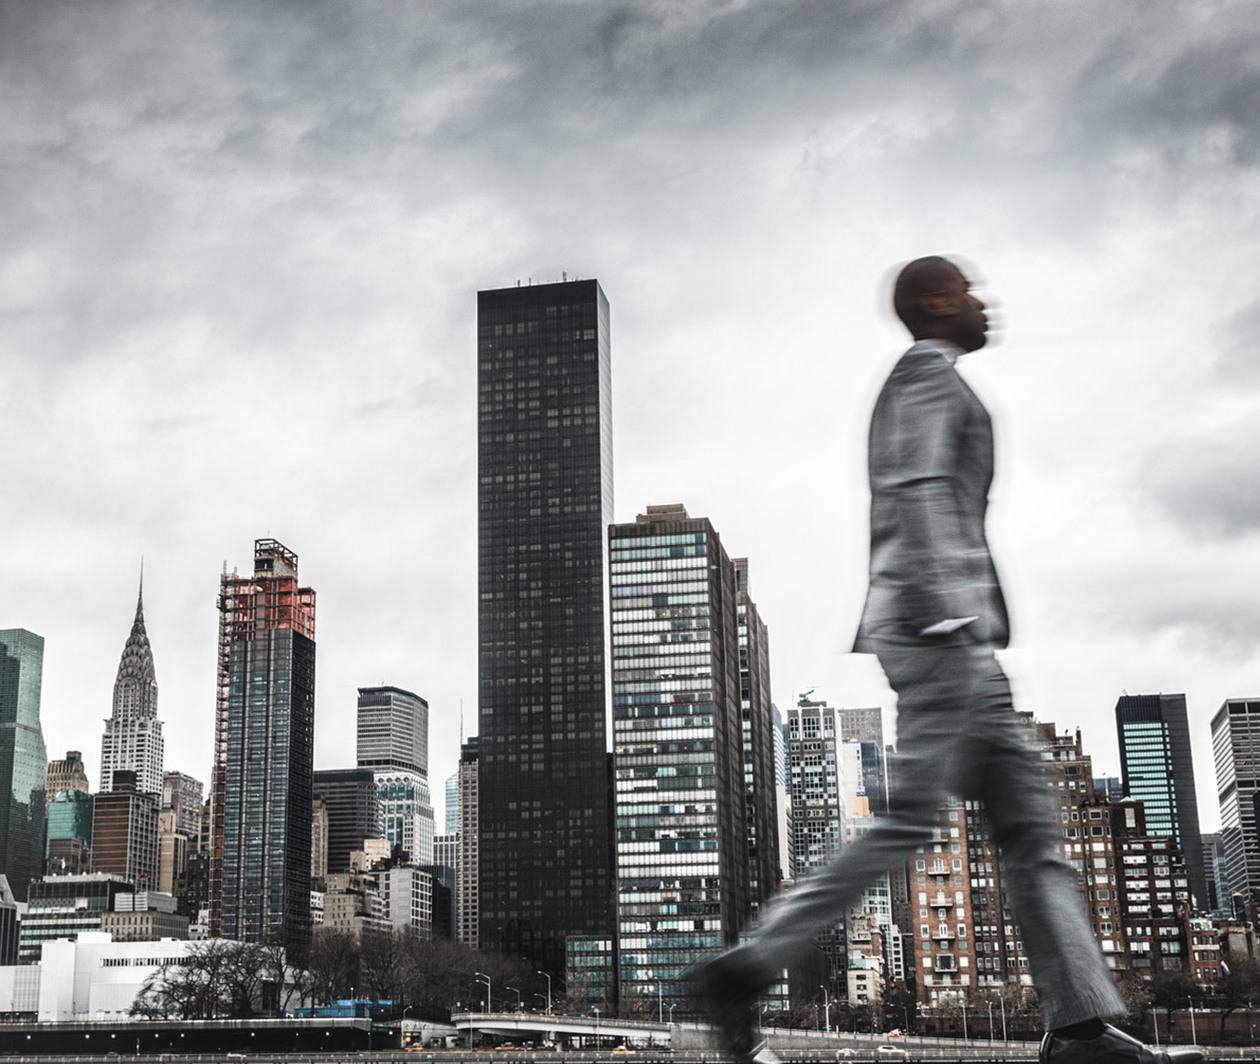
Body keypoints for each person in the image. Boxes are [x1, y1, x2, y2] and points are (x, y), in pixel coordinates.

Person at [692, 256, 1204, 1064]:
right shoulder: (927, 377)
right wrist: (951, 617)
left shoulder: (928, 379)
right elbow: (925, 489)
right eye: (968, 291)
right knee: (910, 823)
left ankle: (1077, 1029)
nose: (982, 302)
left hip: (959, 640)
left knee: (1032, 833)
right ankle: (747, 967)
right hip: (942, 631)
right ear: (936, 303)